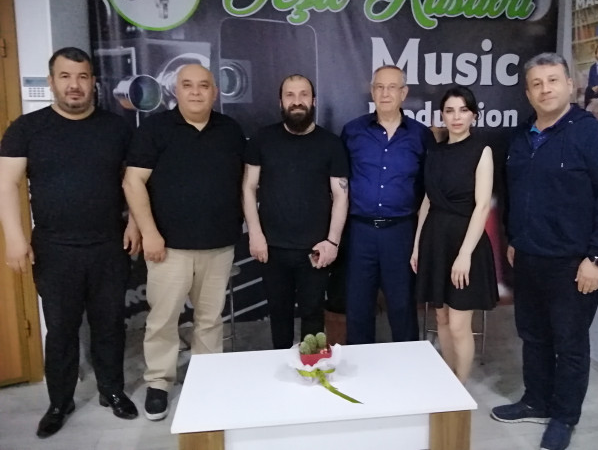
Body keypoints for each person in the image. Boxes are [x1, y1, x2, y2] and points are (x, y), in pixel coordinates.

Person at [491, 53, 598, 450]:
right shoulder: (521, 138)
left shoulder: (594, 137)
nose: (545, 89)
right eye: (536, 83)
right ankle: (536, 401)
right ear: (527, 92)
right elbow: (516, 196)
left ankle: (565, 417)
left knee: (569, 343)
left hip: (575, 263)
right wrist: (515, 239)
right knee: (533, 336)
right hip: (528, 257)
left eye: (553, 80)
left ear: (570, 85)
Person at [0, 47, 140, 438]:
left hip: (109, 245)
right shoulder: (27, 128)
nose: (74, 85)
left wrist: (135, 224)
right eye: (65, 76)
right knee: (61, 329)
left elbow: (133, 181)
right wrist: (14, 238)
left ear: (93, 81)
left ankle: (112, 391)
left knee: (109, 324)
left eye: (82, 76)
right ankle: (59, 402)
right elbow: (6, 183)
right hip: (54, 248)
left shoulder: (116, 128)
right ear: (51, 82)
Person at [122, 64, 245, 421]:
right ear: (175, 90)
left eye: (203, 85)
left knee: (210, 319)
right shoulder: (155, 129)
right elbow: (133, 182)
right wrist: (149, 232)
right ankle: (159, 383)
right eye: (187, 85)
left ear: (214, 92)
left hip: (218, 246)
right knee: (163, 320)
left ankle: (208, 377)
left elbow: (243, 182)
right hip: (168, 247)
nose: (195, 92)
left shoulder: (230, 130)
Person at [242, 74, 349, 349]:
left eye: (303, 95)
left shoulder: (331, 143)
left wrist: (333, 242)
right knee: (279, 316)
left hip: (316, 249)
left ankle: (312, 368)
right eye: (290, 95)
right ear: (281, 102)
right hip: (272, 248)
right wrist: (255, 234)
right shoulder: (262, 139)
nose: (297, 101)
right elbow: (248, 187)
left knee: (313, 316)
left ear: (314, 101)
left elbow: (341, 194)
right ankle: (283, 370)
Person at [410, 86, 499, 383]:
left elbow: (482, 206)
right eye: (450, 111)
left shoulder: (481, 151)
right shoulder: (434, 151)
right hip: (435, 240)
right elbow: (427, 200)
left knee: (460, 324)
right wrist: (417, 245)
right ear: (443, 115)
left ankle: (461, 388)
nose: (456, 117)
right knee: (442, 317)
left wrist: (464, 254)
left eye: (463, 110)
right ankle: (448, 381)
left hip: (466, 243)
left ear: (473, 115)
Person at [341, 65, 434, 344]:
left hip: (401, 232)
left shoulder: (420, 135)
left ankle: (406, 367)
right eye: (379, 87)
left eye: (392, 87)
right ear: (372, 92)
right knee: (358, 308)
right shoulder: (352, 131)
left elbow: (428, 187)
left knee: (402, 307)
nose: (385, 93)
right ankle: (360, 369)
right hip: (360, 232)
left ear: (403, 93)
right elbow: (339, 183)